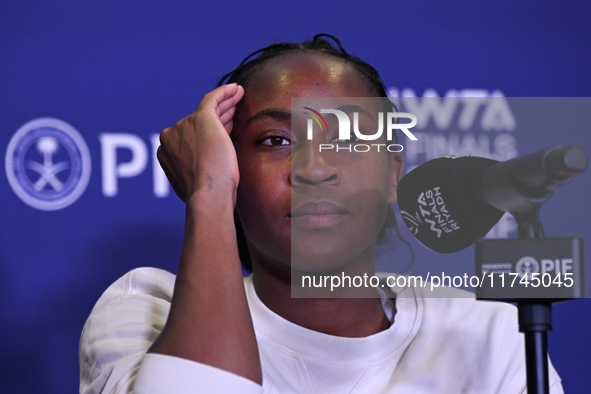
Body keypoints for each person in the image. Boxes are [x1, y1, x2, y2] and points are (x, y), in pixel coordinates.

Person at [79, 34, 564, 393]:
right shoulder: (146, 310)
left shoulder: (487, 331)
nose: (314, 169)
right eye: (276, 141)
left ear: (393, 175)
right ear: (228, 167)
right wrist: (209, 196)